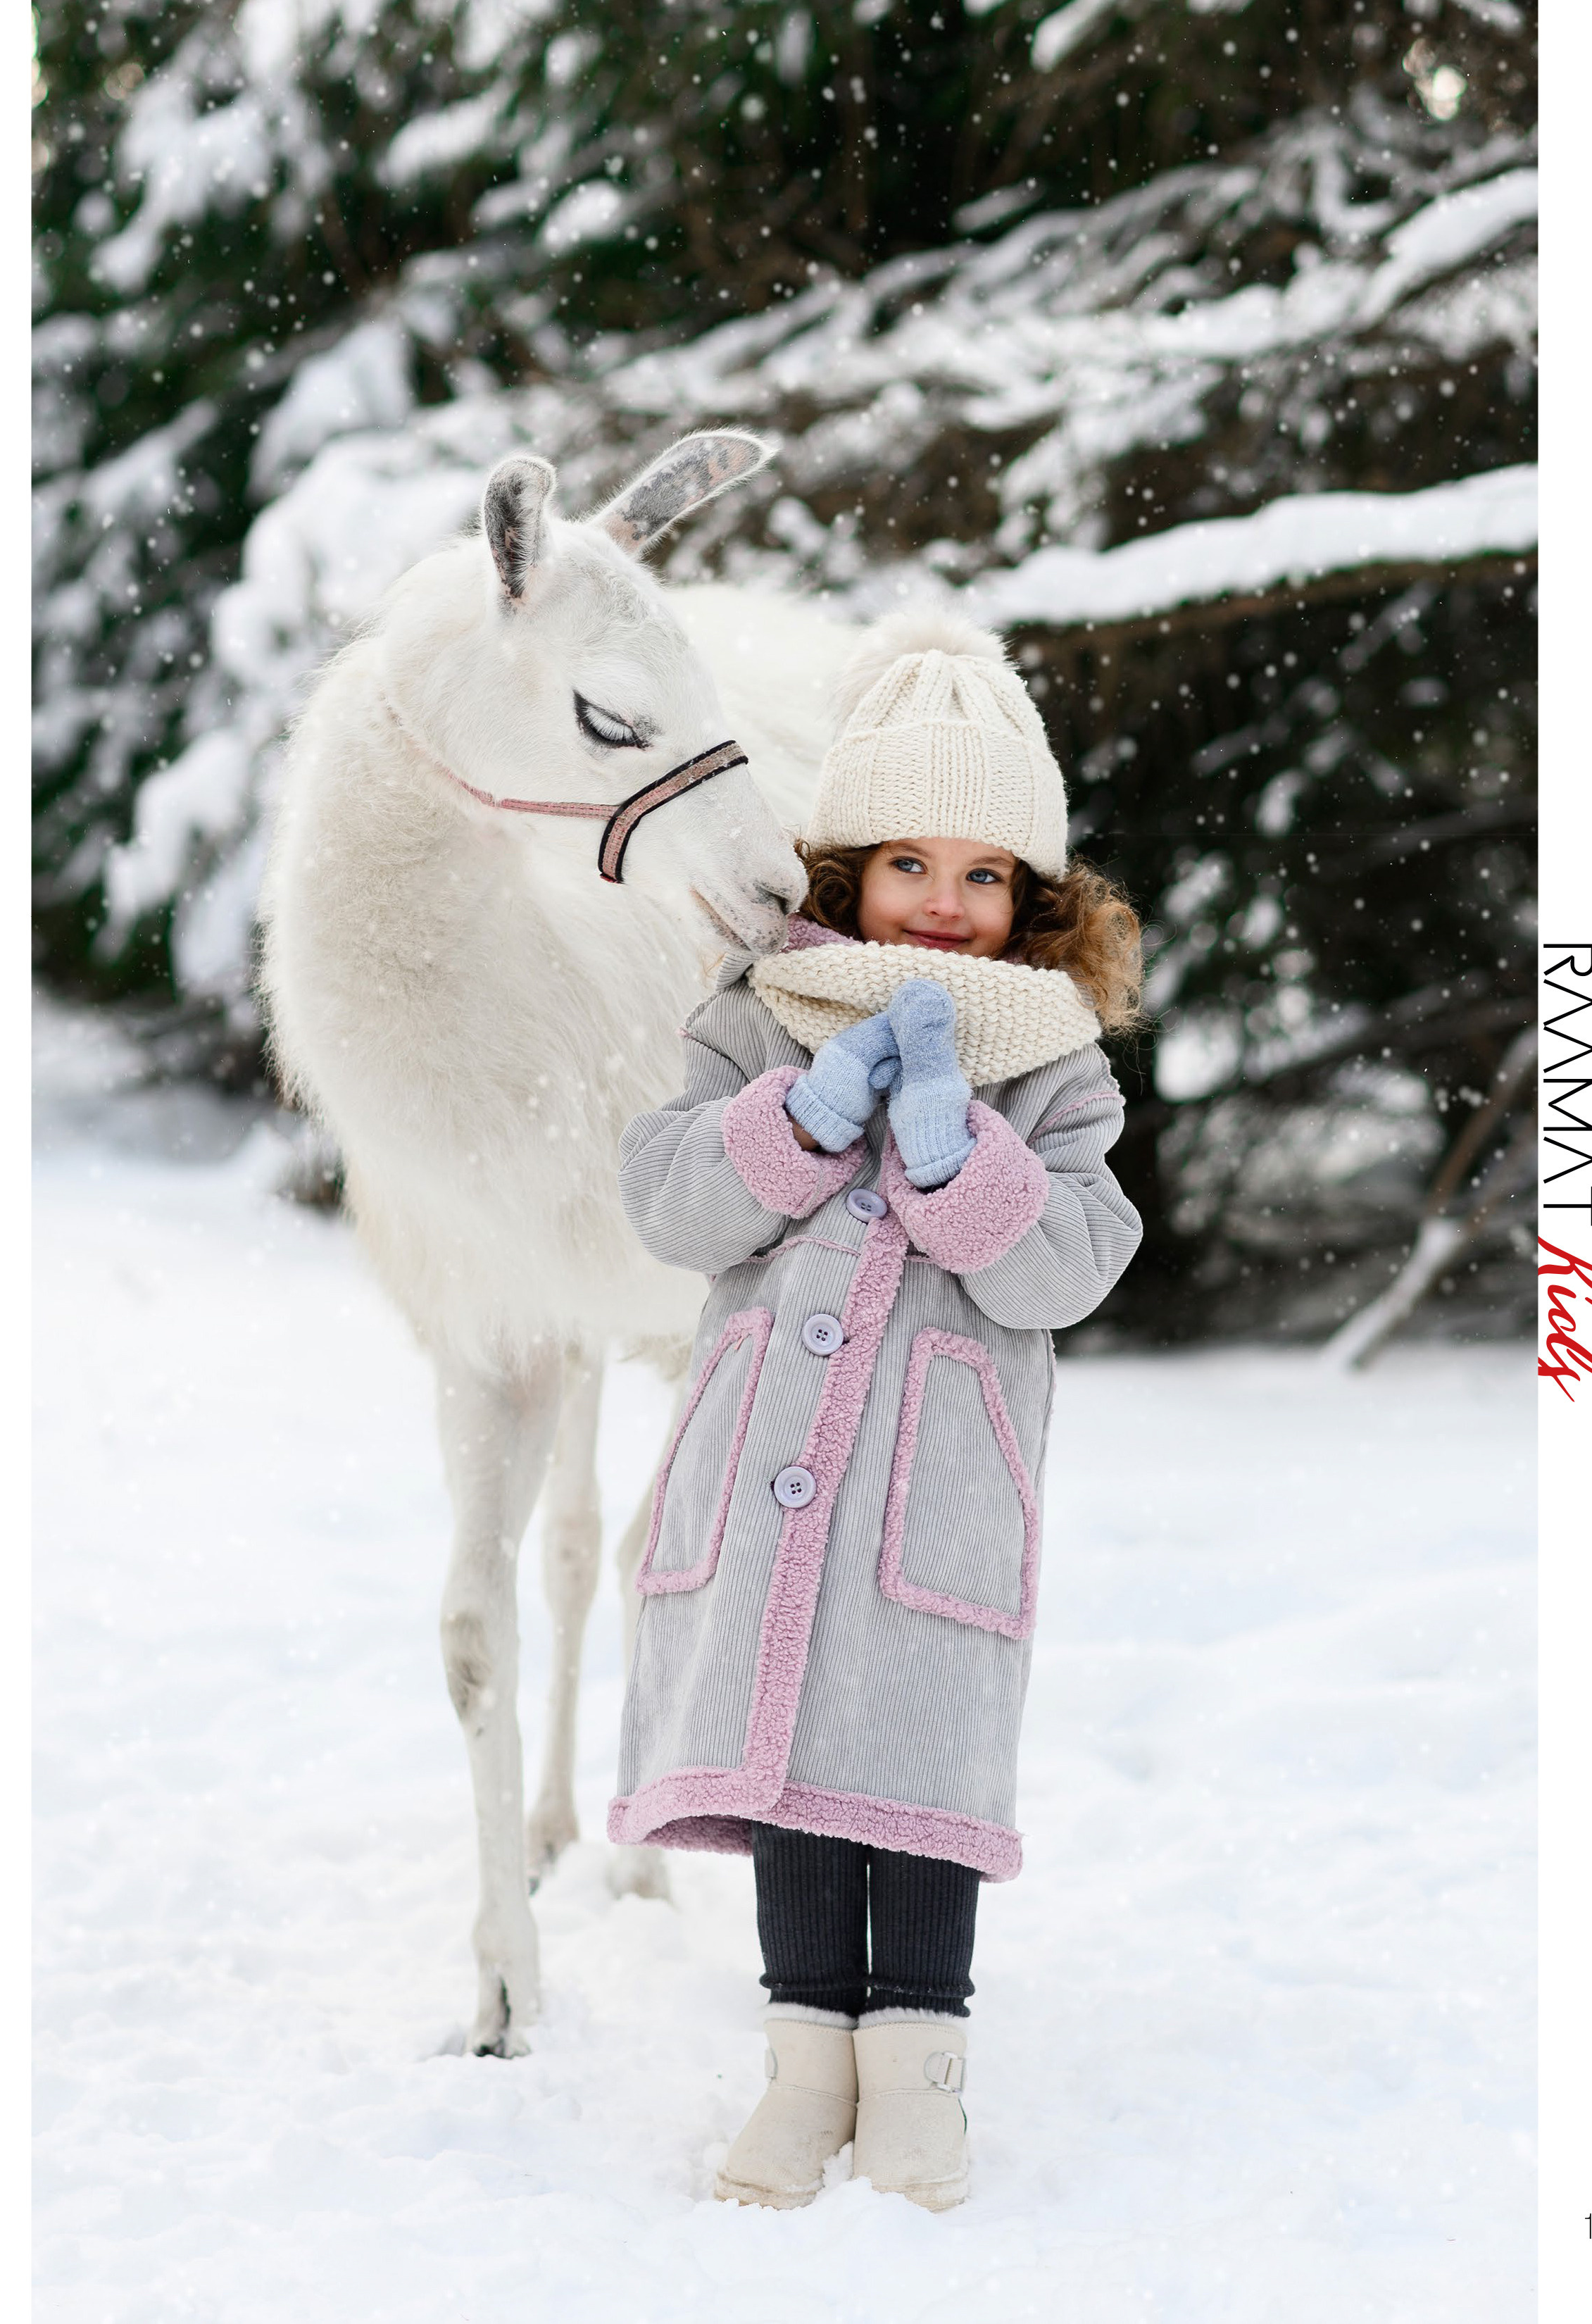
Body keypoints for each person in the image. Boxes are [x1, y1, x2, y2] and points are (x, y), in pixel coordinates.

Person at [610, 608, 1144, 2211]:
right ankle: (804, 2068)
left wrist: (946, 1149)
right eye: (913, 864)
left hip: (936, 1485)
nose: (951, 906)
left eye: (988, 877)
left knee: (908, 1761)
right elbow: (672, 1202)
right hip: (774, 1456)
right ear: (846, 870)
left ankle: (918, 2078)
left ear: (1033, 900)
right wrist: (803, 1114)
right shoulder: (761, 1014)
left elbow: (1066, 1264)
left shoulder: (1055, 1067)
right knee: (786, 1758)